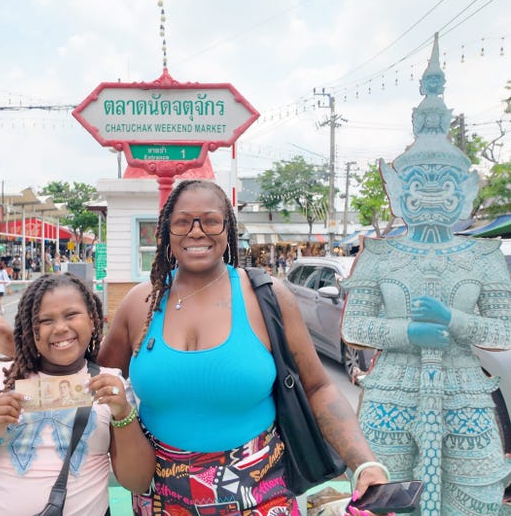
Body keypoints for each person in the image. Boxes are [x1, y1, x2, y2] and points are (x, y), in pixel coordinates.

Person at [96, 179, 391, 515]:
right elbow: (96, 387)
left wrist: (364, 463)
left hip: (259, 496)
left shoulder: (267, 297)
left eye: (210, 221)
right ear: (166, 230)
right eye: (183, 222)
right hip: (160, 499)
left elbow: (318, 387)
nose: (196, 232)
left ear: (228, 229)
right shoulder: (140, 303)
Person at [340, 37, 511, 515]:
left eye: (445, 182)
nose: (432, 191)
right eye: (419, 182)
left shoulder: (482, 255)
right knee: (386, 499)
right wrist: (408, 332)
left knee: (474, 501)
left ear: (465, 190)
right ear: (399, 189)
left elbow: (504, 329)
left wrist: (455, 320)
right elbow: (355, 325)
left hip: (464, 393)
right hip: (391, 393)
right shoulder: (380, 253)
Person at [0, 273, 155, 516]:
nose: (60, 328)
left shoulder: (110, 385)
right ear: (30, 330)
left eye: (71, 315)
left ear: (93, 320)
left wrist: (123, 414)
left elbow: (138, 482)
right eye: (45, 320)